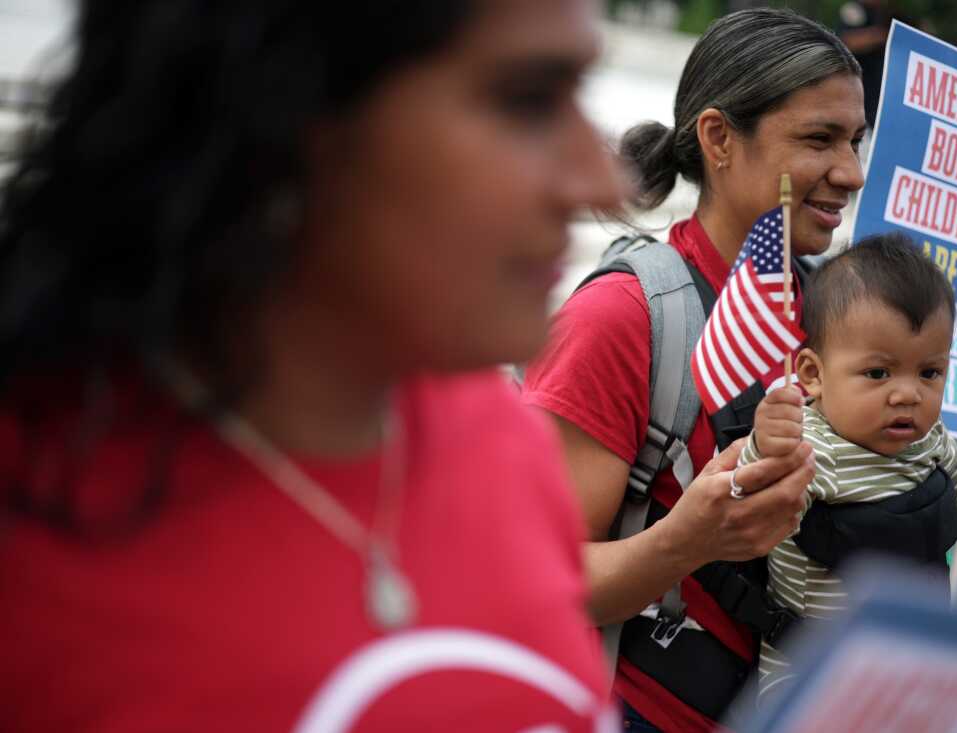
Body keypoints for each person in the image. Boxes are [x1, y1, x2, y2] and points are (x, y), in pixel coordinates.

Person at [0, 2, 631, 730]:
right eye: (527, 100)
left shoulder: (503, 437)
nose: (603, 185)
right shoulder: (31, 545)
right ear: (282, 111)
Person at [522, 8, 957, 732]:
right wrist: (689, 539)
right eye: (819, 139)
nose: (852, 172)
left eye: (855, 140)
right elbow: (534, 582)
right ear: (719, 138)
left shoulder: (832, 305)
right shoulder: (622, 317)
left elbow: (908, 444)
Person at [742, 232, 957, 703]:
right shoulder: (810, 449)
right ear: (812, 375)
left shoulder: (926, 437)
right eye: (878, 373)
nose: (908, 394)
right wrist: (763, 448)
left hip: (907, 655)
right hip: (816, 670)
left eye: (930, 373)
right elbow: (753, 500)